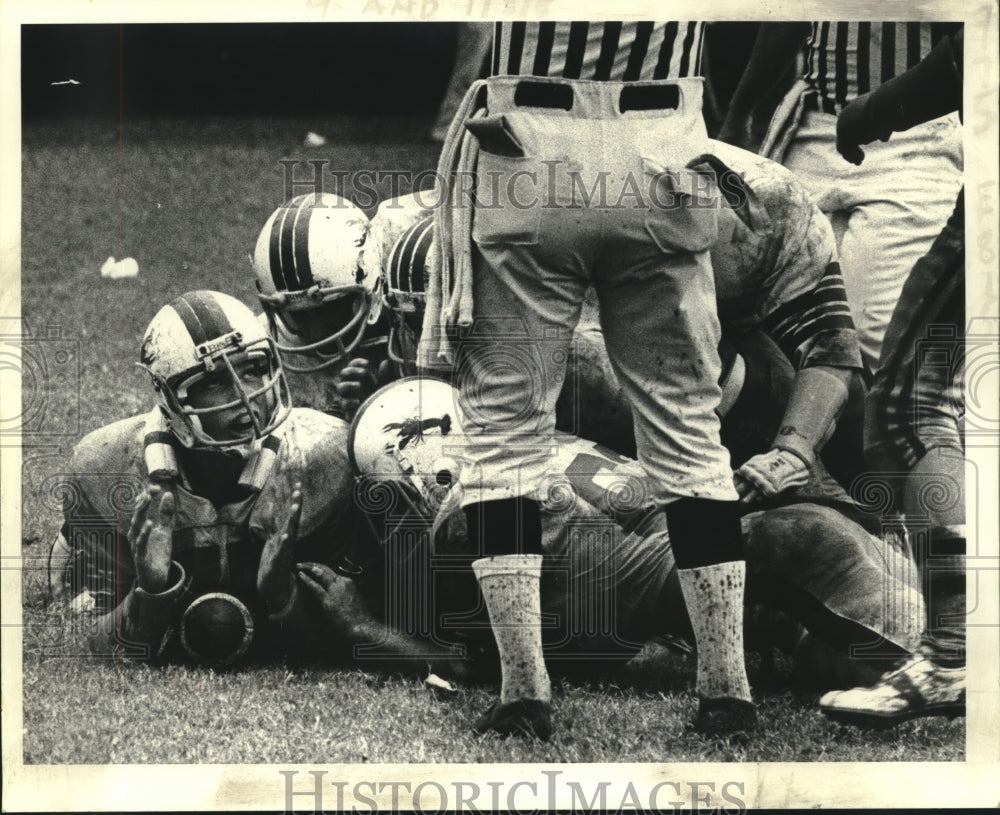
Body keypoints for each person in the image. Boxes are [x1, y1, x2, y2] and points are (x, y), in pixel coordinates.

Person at [304, 376, 924, 700]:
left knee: (839, 634)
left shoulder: (460, 511)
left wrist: (368, 631)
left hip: (712, 559)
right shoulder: (497, 468)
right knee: (815, 557)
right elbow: (479, 658)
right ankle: (945, 644)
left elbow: (477, 663)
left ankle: (941, 646)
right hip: (707, 553)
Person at [47, 290, 360, 666]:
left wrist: (283, 595)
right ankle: (66, 540)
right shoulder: (105, 467)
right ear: (170, 398)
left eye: (251, 369)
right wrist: (149, 592)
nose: (247, 396)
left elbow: (342, 635)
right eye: (214, 383)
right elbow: (92, 644)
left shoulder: (326, 455)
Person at [818, 27, 967, 726]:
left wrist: (870, 113)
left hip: (926, 143)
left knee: (913, 406)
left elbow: (969, 56)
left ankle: (951, 650)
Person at [718, 22, 963, 374]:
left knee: (887, 337)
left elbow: (968, 40)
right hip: (814, 122)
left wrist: (883, 107)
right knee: (793, 330)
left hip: (918, 133)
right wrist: (742, 109)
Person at [250, 192, 390, 421]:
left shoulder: (404, 333)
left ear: (370, 281)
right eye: (297, 316)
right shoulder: (261, 345)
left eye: (324, 311)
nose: (314, 333)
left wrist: (380, 405)